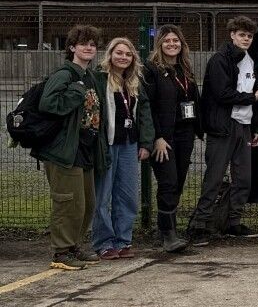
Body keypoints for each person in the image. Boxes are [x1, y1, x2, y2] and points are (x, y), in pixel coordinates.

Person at [185, 16, 258, 246]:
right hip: (223, 126)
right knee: (213, 178)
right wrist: (252, 97)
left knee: (243, 179)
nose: (246, 39)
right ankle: (199, 226)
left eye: (250, 36)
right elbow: (222, 94)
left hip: (244, 126)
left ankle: (233, 222)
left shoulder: (252, 61)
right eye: (242, 35)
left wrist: (255, 127)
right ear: (232, 35)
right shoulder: (219, 60)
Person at [33, 25, 108, 270]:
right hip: (64, 149)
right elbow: (49, 104)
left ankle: (75, 245)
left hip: (84, 147)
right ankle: (61, 252)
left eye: (93, 45)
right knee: (67, 201)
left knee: (86, 202)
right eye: (83, 43)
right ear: (72, 48)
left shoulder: (90, 76)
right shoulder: (65, 75)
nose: (89, 48)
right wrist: (76, 92)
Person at [91, 37, 154, 260]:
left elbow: (144, 113)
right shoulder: (99, 80)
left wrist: (146, 142)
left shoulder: (135, 82)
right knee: (103, 196)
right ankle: (103, 242)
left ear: (133, 58)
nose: (123, 57)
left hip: (129, 144)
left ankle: (123, 240)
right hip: (107, 144)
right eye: (119, 53)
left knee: (127, 196)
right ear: (110, 55)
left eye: (127, 54)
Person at [142, 25, 201, 253]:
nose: (171, 44)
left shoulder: (184, 69)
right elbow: (149, 107)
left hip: (185, 133)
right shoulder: (151, 70)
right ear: (159, 44)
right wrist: (156, 136)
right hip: (164, 137)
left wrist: (199, 129)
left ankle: (167, 229)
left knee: (178, 182)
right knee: (167, 181)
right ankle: (168, 236)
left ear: (182, 44)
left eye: (175, 40)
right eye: (167, 41)